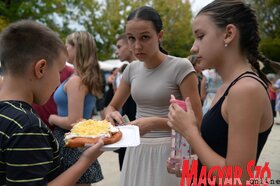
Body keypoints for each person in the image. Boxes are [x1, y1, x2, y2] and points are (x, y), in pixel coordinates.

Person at [167, 0, 274, 184]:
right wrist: (190, 166)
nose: (193, 47)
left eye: (200, 36)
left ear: (229, 34)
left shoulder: (245, 89)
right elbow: (217, 151)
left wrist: (190, 131)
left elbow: (237, 178)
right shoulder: (228, 86)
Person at [105, 6, 202, 186]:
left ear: (160, 35)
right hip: (136, 149)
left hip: (170, 150)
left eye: (145, 37)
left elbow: (196, 120)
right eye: (131, 38)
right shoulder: (132, 69)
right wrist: (111, 114)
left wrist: (154, 123)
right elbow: (111, 106)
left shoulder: (181, 67)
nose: (137, 46)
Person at [0, 20, 103, 185]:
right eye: (59, 71)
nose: (58, 81)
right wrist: (85, 161)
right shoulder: (28, 127)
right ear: (40, 68)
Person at [48, 31, 104, 185]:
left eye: (68, 44)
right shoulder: (82, 78)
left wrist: (53, 118)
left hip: (70, 143)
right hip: (75, 142)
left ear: (77, 48)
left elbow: (74, 121)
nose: (65, 47)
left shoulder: (76, 81)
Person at [114, 34, 137, 171]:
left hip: (142, 135)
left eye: (119, 46)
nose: (117, 51)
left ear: (130, 45)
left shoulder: (141, 69)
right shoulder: (128, 71)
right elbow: (114, 104)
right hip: (127, 130)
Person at [32, 64, 74, 131]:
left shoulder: (70, 72)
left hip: (56, 125)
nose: (58, 83)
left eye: (59, 72)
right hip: (36, 121)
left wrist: (53, 119)